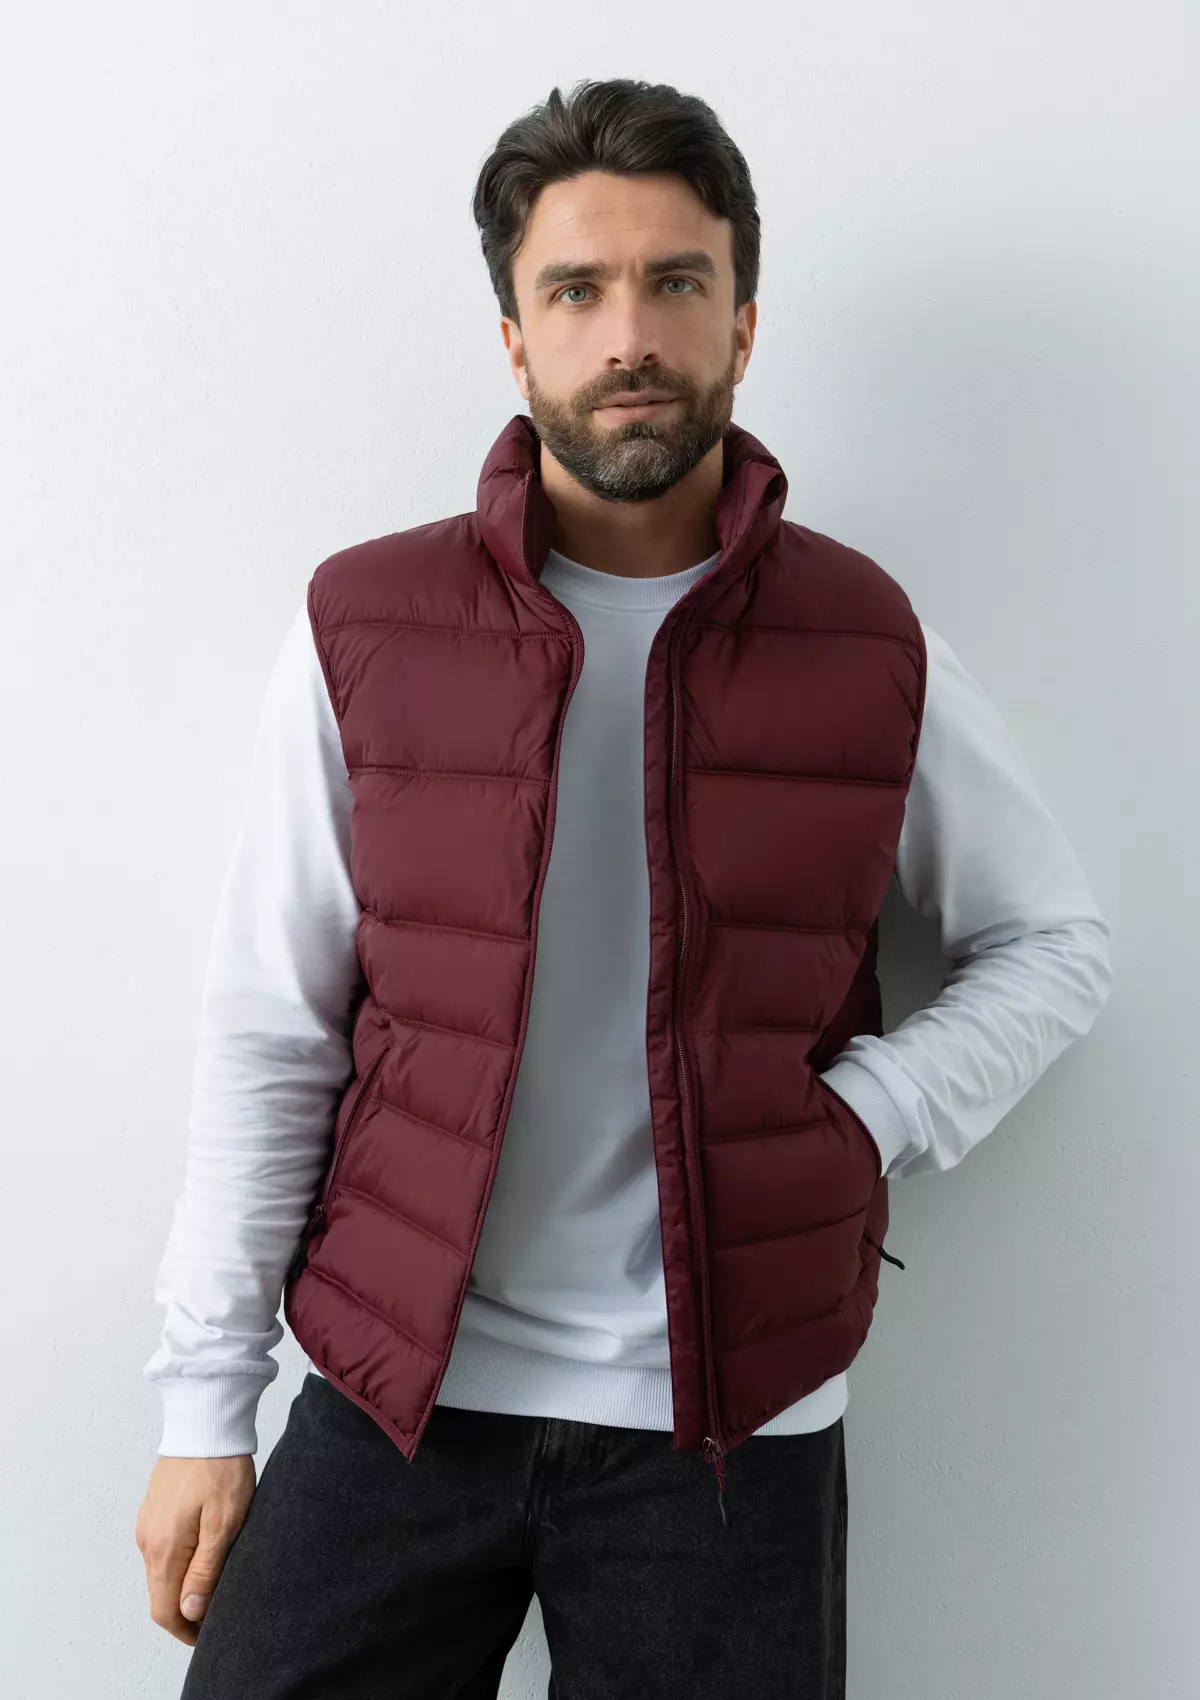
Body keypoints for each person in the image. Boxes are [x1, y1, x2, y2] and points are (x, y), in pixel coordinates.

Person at [134, 77, 1113, 1699]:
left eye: (677, 282)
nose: (631, 334)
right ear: (515, 340)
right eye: (578, 290)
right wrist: (202, 1406)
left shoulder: (868, 640)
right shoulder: (365, 627)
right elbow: (273, 1026)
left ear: (744, 323)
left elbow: (1052, 943)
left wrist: (867, 1113)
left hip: (731, 1430)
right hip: (398, 1396)